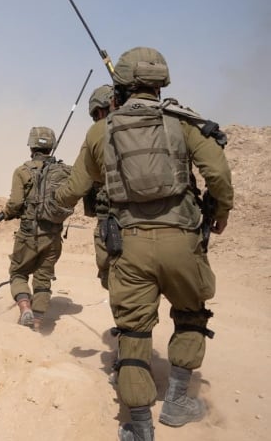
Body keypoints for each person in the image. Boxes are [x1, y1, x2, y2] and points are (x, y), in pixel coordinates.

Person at [55, 47, 233, 440]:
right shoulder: (182, 122)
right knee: (190, 313)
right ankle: (176, 402)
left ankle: (139, 427)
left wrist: (54, 205)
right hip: (183, 242)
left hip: (130, 246)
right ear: (161, 82)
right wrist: (220, 212)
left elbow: (75, 187)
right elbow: (217, 171)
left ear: (120, 84)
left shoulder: (102, 130)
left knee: (133, 332)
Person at [0, 127, 67, 332]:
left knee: (18, 273)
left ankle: (25, 309)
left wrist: (5, 214)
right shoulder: (65, 171)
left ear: (31, 146)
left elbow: (15, 204)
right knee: (43, 278)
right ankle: (38, 323)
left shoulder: (22, 171)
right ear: (51, 146)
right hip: (53, 235)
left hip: (28, 235)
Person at [82, 84, 115, 289]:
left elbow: (79, 182)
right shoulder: (169, 121)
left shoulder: (98, 133)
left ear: (101, 110)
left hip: (117, 225)